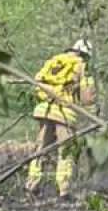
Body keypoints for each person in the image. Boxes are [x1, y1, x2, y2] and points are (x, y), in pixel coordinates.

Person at [27, 39, 96, 197]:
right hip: (65, 113)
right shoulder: (81, 65)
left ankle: (32, 183)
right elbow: (87, 96)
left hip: (45, 110)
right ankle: (64, 189)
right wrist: (90, 112)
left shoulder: (53, 61)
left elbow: (37, 84)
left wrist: (49, 97)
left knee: (41, 148)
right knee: (66, 151)